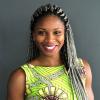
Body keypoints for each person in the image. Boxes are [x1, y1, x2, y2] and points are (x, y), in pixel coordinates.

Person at [7, 3, 94, 100]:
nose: (49, 40)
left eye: (57, 32)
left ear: (65, 34)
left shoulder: (82, 69)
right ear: (33, 35)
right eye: (41, 33)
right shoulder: (21, 77)